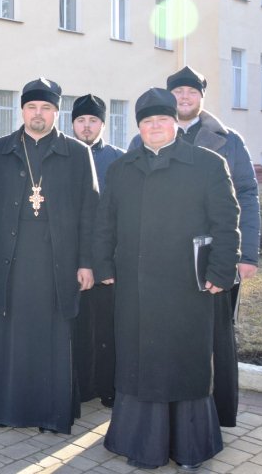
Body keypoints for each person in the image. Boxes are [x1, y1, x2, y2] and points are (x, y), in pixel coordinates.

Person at [94, 88, 240, 470]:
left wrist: (221, 270)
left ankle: (189, 447)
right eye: (147, 121)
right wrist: (103, 266)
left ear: (175, 123)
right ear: (139, 127)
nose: (155, 126)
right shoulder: (121, 169)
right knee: (139, 362)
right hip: (135, 287)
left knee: (185, 364)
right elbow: (104, 223)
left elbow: (227, 222)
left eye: (162, 119)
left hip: (187, 286)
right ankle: (139, 442)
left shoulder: (207, 164)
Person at [129, 66, 259, 427]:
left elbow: (246, 196)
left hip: (211, 256)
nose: (184, 98)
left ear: (202, 97)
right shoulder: (143, 138)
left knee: (215, 335)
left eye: (192, 92)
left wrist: (246, 254)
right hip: (159, 259)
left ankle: (214, 410)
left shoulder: (228, 140)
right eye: (178, 92)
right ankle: (165, 409)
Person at [0, 78, 98, 434]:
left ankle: (51, 414)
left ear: (57, 112)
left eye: (46, 108)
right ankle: (6, 409)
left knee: (53, 334)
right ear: (22, 111)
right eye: (32, 107)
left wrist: (86, 262)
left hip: (57, 260)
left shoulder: (78, 153)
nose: (38, 114)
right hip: (8, 258)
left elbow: (91, 212)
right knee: (9, 332)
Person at [69, 94, 123, 409]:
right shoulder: (63, 155)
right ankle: (78, 385)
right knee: (75, 325)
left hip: (105, 259)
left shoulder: (118, 159)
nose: (86, 126)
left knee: (105, 326)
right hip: (70, 256)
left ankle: (107, 386)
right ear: (72, 123)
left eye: (93, 121)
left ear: (103, 124)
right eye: (81, 120)